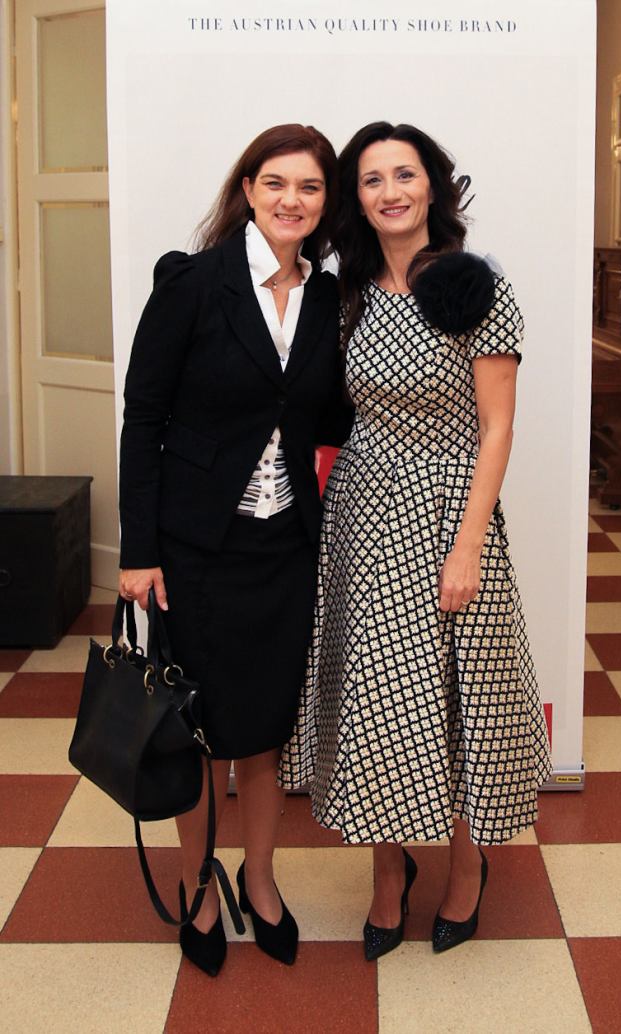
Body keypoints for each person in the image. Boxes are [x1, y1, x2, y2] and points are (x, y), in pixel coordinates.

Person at [280, 122, 552, 960]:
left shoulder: (475, 287)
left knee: (459, 696)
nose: (389, 191)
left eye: (405, 174)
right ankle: (387, 874)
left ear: (433, 186)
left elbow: (498, 429)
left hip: (448, 512)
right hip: (362, 515)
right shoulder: (347, 288)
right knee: (375, 702)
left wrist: (467, 546)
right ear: (355, 197)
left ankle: (466, 865)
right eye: (370, 179)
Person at [118, 124, 350, 976]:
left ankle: (260, 878)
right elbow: (144, 421)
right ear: (248, 189)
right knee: (192, 729)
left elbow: (323, 416)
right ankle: (197, 884)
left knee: (262, 731)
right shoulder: (192, 283)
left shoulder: (327, 299)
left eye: (311, 187)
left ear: (326, 203)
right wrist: (138, 550)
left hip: (284, 549)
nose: (293, 199)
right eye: (276, 182)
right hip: (193, 550)